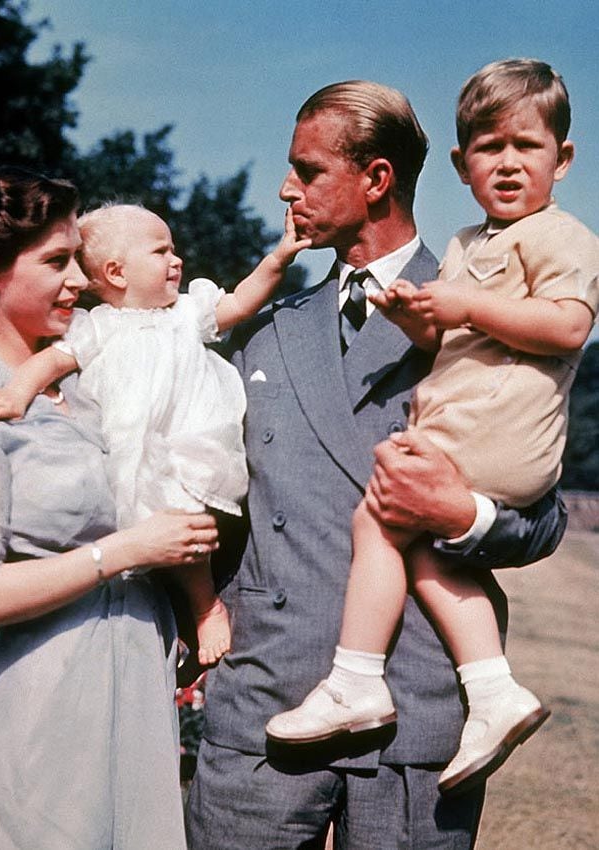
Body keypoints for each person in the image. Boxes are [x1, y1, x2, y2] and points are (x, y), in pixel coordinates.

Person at [185, 80, 568, 850]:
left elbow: (543, 516)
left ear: (377, 178)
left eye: (308, 169)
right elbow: (204, 497)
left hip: (416, 711)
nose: (286, 188)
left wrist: (465, 517)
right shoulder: (265, 333)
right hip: (265, 705)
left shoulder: (487, 310)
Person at [265, 59, 598, 795]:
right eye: (488, 149)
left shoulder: (559, 237)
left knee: (382, 518)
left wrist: (462, 307)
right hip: (268, 688)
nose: (508, 165)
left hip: (494, 444)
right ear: (461, 164)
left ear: (563, 159)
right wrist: (425, 323)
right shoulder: (464, 249)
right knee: (405, 538)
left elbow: (570, 326)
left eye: (527, 147)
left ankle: (360, 678)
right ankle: (492, 689)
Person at [0, 167, 221, 850]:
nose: (79, 279)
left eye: (79, 257)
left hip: (138, 686)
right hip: (48, 708)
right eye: (56, 261)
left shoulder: (87, 393)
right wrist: (128, 552)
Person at [0, 202, 309, 669]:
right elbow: (51, 361)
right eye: (161, 251)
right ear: (116, 272)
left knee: (183, 522)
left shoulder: (186, 313)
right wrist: (16, 392)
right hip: (128, 450)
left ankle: (205, 605)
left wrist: (279, 257)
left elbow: (238, 302)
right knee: (143, 537)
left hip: (188, 445)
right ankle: (180, 627)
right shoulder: (98, 327)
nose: (177, 260)